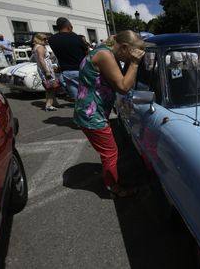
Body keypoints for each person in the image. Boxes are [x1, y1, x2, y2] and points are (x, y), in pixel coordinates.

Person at [73, 30, 145, 197]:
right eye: (131, 54)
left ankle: (112, 180)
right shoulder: (105, 55)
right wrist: (134, 64)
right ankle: (113, 189)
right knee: (110, 152)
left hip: (89, 110)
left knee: (108, 152)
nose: (129, 59)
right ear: (125, 47)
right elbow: (123, 86)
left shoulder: (100, 50)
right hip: (92, 114)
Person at [49, 17, 89, 100]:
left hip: (66, 72)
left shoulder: (52, 39)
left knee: (77, 99)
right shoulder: (76, 37)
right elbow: (86, 52)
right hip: (81, 70)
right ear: (68, 26)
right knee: (88, 97)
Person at [32, 33, 60, 111]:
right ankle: (49, 104)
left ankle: (51, 102)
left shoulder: (36, 47)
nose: (46, 40)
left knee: (49, 87)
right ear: (39, 39)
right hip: (45, 68)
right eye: (44, 39)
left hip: (42, 68)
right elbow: (41, 59)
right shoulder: (40, 47)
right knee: (52, 87)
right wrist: (47, 71)